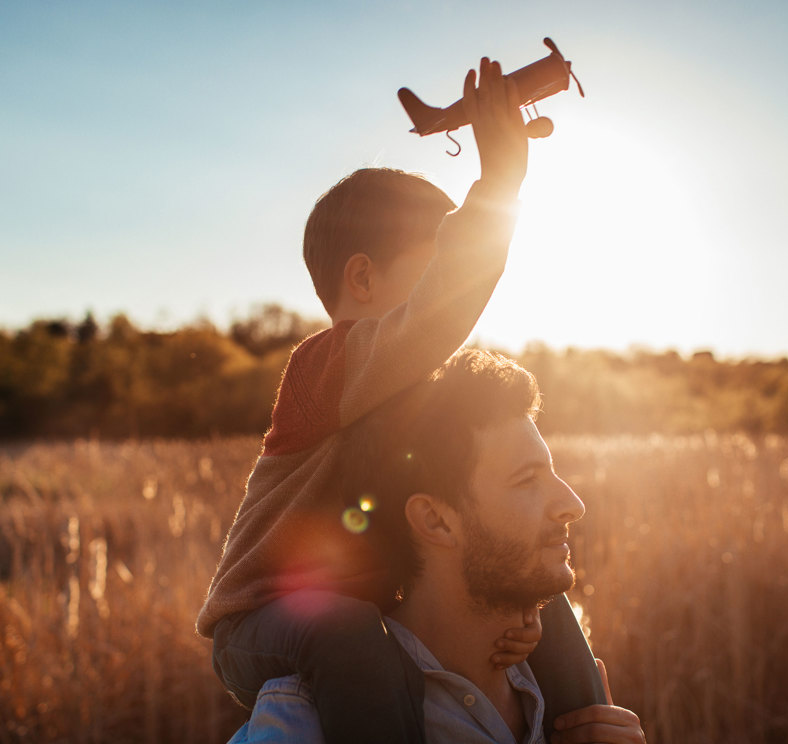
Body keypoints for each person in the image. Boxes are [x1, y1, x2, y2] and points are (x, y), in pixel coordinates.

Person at [198, 59, 605, 743]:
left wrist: (521, 608)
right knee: (350, 635)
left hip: (356, 604)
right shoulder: (324, 369)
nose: (446, 300)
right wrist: (498, 186)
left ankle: (586, 725)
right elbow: (431, 321)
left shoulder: (416, 399)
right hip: (263, 620)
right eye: (434, 262)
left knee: (541, 582)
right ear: (362, 278)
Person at [228, 349, 646, 744]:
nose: (573, 505)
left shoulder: (566, 691)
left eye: (553, 474)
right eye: (526, 481)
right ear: (436, 521)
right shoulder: (309, 721)